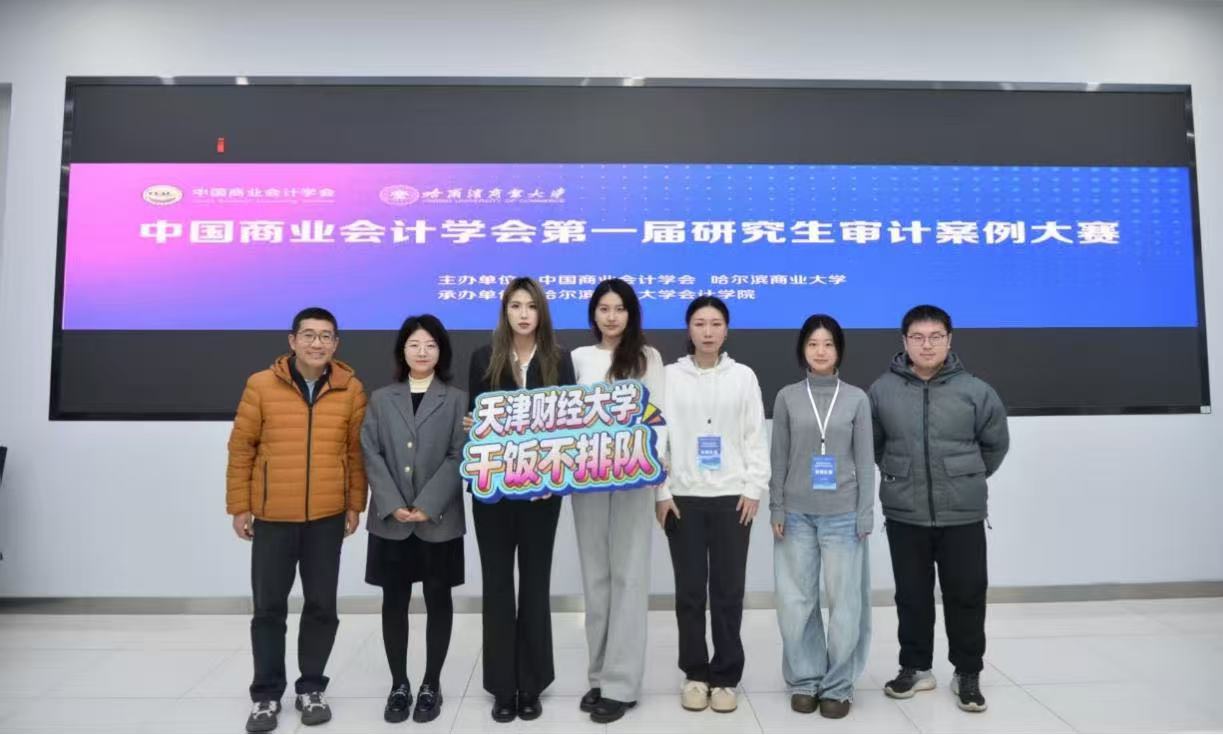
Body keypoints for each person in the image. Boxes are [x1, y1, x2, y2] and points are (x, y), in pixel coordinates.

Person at [226, 307, 367, 734]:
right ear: (292, 341)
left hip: (327, 516)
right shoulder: (261, 385)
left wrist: (354, 505)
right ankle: (266, 694)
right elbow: (241, 448)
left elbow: (355, 454)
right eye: (309, 335)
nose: (316, 343)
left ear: (336, 343)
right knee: (269, 609)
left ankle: (311, 688)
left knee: (322, 606)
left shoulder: (350, 388)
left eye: (325, 336)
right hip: (273, 516)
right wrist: (240, 506)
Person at [870, 304, 1010, 713]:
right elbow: (875, 445)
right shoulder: (882, 390)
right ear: (904, 342)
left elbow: (995, 444)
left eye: (935, 337)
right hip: (905, 511)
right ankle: (915, 667)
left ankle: (967, 672)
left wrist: (964, 476)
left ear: (949, 340)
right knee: (911, 596)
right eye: (918, 337)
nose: (926, 345)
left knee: (966, 594)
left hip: (962, 512)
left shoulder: (975, 391)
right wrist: (901, 475)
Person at [466, 277, 577, 723]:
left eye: (531, 306)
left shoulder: (559, 360)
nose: (524, 314)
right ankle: (501, 685)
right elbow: (476, 423)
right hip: (493, 492)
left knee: (534, 584)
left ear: (541, 312)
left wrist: (554, 475)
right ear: (505, 311)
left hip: (542, 494)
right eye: (516, 305)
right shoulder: (483, 358)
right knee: (497, 585)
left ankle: (531, 683)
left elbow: (570, 426)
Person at [656, 296, 769, 714]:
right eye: (700, 323)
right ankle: (695, 673)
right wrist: (661, 492)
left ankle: (725, 677)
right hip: (683, 498)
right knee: (689, 592)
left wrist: (754, 488)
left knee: (727, 592)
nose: (707, 331)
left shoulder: (743, 376)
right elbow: (657, 438)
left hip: (732, 498)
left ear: (726, 329)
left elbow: (754, 435)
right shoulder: (669, 376)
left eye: (716, 323)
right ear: (689, 329)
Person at [361, 314, 467, 724]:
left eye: (431, 345)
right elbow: (371, 452)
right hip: (391, 521)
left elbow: (459, 454)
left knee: (439, 600)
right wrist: (391, 503)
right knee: (394, 602)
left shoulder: (456, 399)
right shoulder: (381, 398)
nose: (422, 352)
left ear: (442, 352)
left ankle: (431, 684)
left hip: (439, 519)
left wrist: (428, 503)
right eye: (414, 344)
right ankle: (399, 684)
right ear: (401, 351)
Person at [569, 279, 667, 724]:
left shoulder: (647, 358)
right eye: (604, 308)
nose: (611, 316)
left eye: (619, 309)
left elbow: (660, 422)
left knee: (629, 576)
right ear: (593, 314)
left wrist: (662, 488)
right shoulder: (578, 358)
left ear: (631, 314)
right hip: (586, 480)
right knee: (596, 579)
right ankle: (599, 675)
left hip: (634, 479)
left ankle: (622, 684)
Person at [769, 314, 874, 719]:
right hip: (796, 515)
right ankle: (806, 679)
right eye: (813, 344)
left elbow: (865, 461)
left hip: (843, 516)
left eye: (828, 344)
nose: (820, 351)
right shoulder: (787, 397)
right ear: (803, 350)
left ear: (839, 350)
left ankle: (839, 684)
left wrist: (865, 513)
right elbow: (779, 457)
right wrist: (777, 506)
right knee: (797, 602)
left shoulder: (857, 399)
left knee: (845, 603)